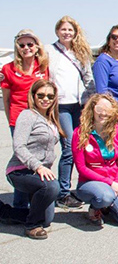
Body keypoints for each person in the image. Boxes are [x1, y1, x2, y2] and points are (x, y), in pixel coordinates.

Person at [46, 15, 95, 209]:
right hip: (60, 105)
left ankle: (79, 187)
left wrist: (90, 102)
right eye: (63, 29)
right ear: (57, 31)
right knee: (68, 148)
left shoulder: (80, 52)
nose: (67, 33)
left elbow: (88, 77)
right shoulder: (49, 51)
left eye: (70, 30)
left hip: (78, 104)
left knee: (80, 146)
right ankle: (62, 192)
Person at [6, 80, 63, 239]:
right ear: (33, 95)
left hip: (38, 173)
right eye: (41, 95)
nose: (46, 99)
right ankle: (31, 226)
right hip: (20, 171)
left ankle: (7, 212)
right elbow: (19, 146)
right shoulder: (28, 115)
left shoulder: (50, 119)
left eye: (50, 96)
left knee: (46, 219)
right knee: (51, 187)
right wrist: (38, 166)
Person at [73, 94, 118, 227]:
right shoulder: (80, 133)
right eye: (99, 109)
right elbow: (82, 168)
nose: (103, 113)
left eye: (107, 110)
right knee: (105, 196)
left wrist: (116, 182)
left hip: (114, 182)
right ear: (92, 109)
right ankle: (95, 207)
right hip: (90, 182)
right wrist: (109, 183)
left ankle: (107, 207)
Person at [2, 29, 49, 209]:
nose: (26, 48)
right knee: (22, 162)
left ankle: (36, 197)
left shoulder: (43, 67)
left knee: (40, 158)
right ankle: (20, 205)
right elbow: (6, 99)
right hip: (19, 120)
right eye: (22, 45)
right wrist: (11, 121)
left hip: (39, 120)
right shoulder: (8, 68)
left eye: (30, 44)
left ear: (37, 47)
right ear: (17, 48)